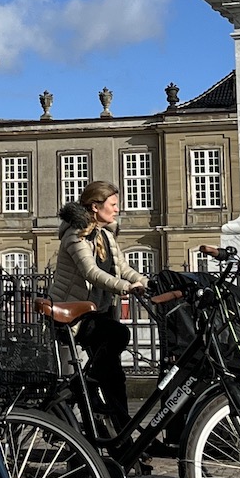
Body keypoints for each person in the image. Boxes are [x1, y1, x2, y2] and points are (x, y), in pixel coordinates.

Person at [50, 181, 147, 431]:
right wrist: (125, 287)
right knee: (120, 334)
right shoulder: (75, 234)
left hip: (100, 313)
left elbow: (122, 268)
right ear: (95, 207)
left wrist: (145, 281)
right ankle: (83, 386)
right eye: (113, 205)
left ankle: (122, 437)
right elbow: (91, 272)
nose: (117, 210)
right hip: (75, 316)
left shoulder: (106, 234)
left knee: (115, 378)